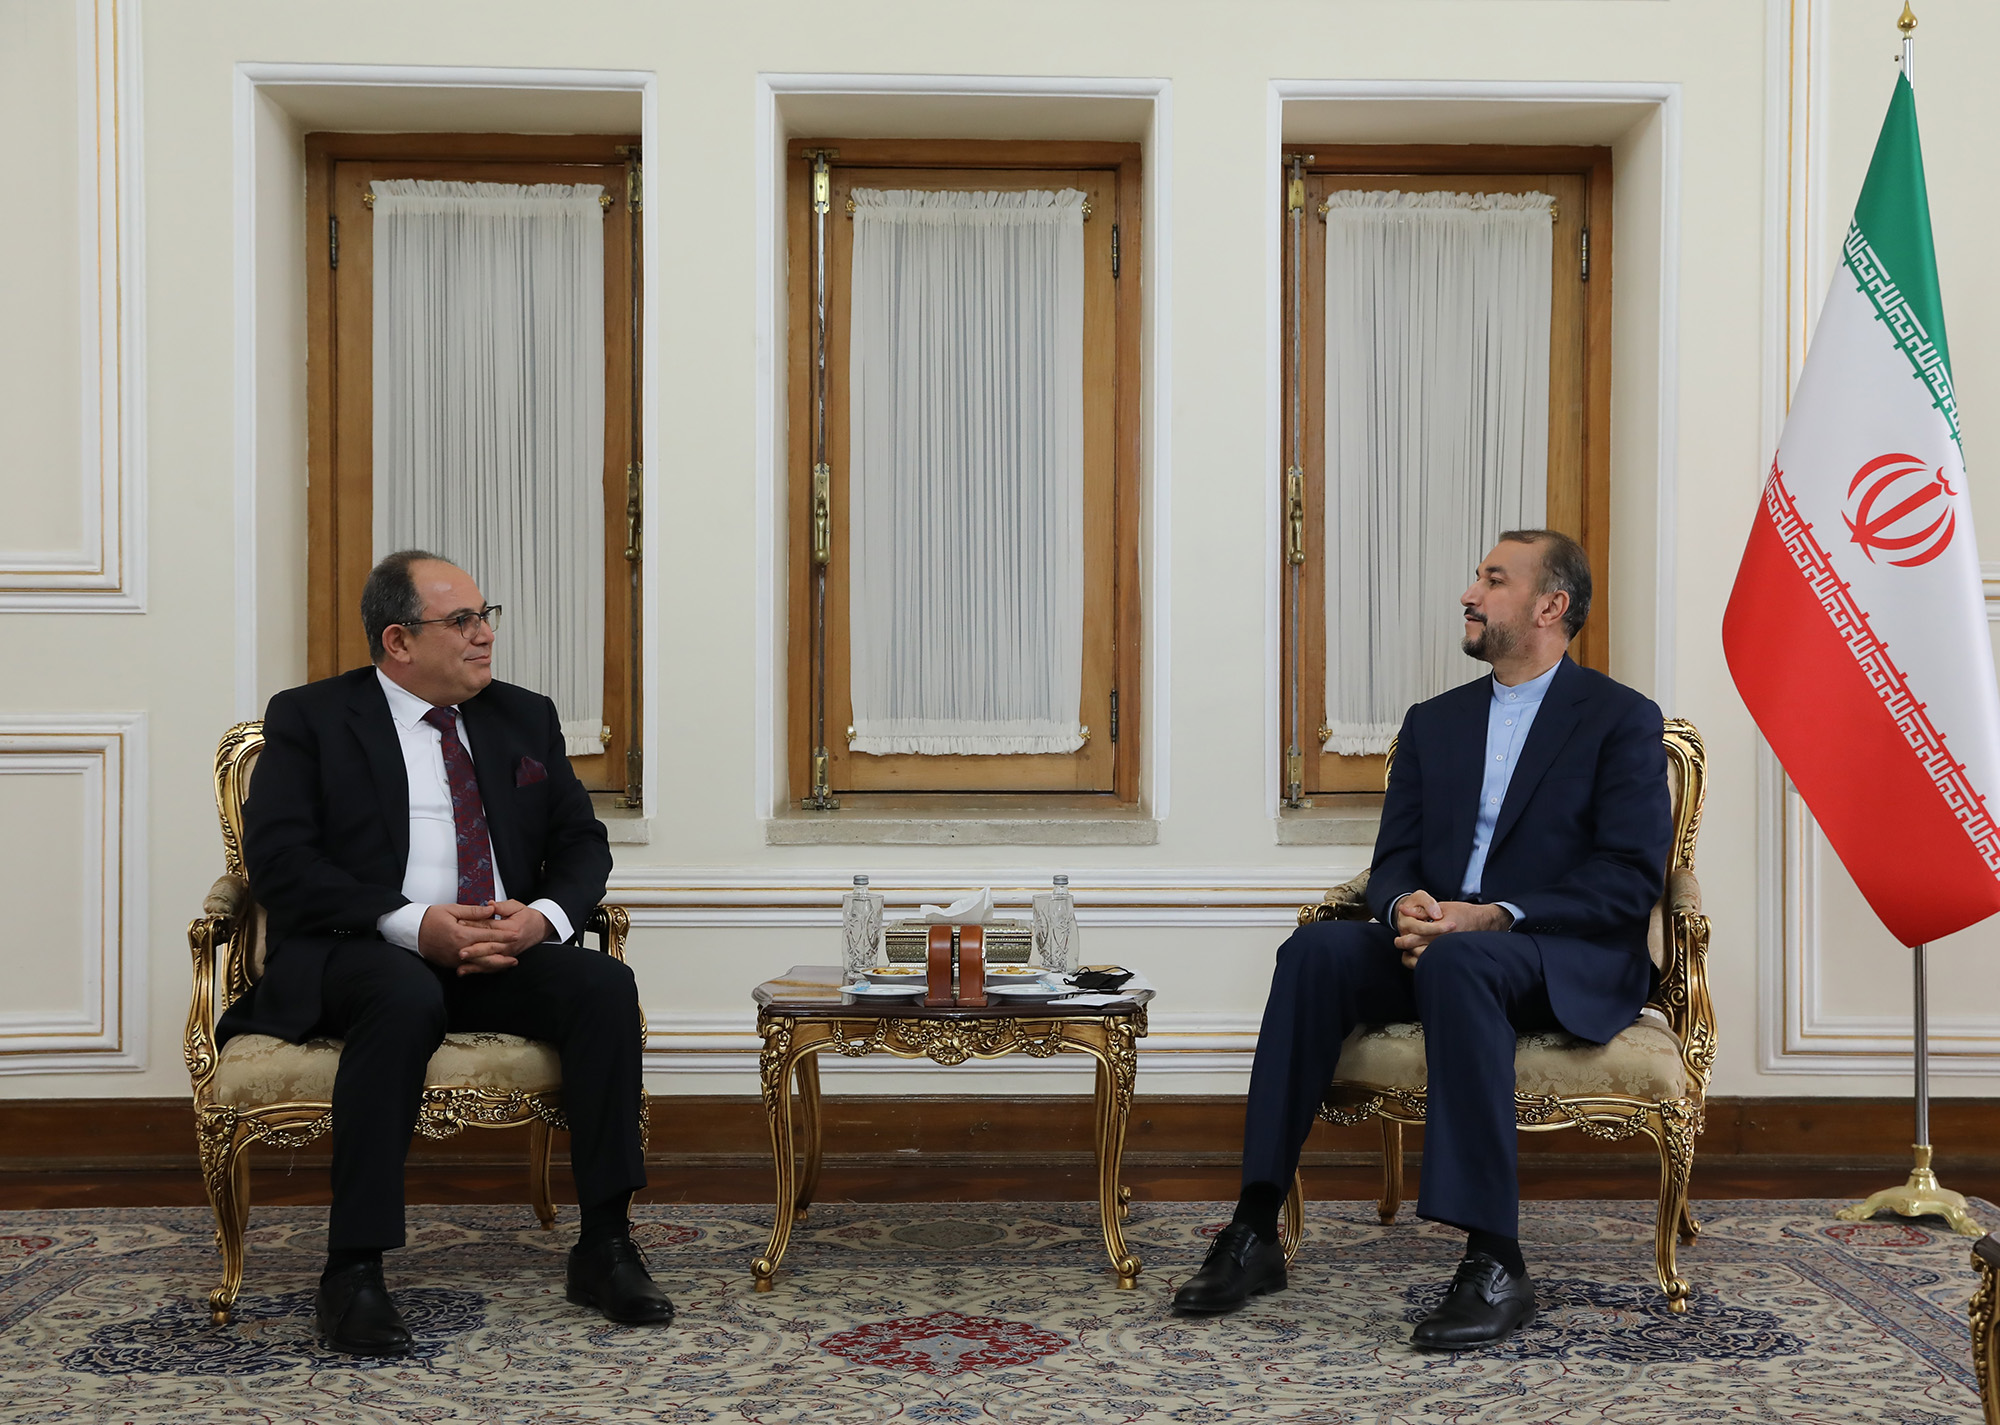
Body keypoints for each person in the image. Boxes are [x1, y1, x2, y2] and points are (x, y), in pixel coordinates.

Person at [1173, 530, 1669, 1349]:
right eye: (1477, 577)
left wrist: (1494, 914)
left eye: (1494, 580)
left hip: (1555, 952)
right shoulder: (1436, 723)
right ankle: (1256, 1226)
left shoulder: (1620, 719)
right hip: (1440, 949)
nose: (1470, 594)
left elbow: (1627, 876)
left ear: (1551, 606)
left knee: (1464, 959)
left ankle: (1496, 1258)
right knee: (1314, 952)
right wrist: (1405, 903)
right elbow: (1394, 858)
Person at [217, 550, 672, 1356]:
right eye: (461, 621)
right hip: (360, 949)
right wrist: (410, 922)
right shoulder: (312, 718)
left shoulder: (523, 715)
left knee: (602, 986)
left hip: (499, 946)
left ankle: (605, 1246)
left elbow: (581, 841)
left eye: (485, 615)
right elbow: (280, 864)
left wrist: (541, 919)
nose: (484, 634)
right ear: (398, 639)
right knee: (403, 994)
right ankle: (353, 1270)